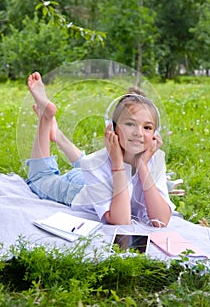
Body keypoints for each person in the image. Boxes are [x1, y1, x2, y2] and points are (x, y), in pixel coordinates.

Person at [26, 72, 175, 227]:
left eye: (147, 127)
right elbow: (121, 220)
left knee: (89, 162)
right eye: (130, 124)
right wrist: (118, 164)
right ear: (112, 128)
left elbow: (161, 221)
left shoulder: (155, 159)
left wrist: (143, 166)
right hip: (79, 189)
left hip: (96, 175)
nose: (138, 132)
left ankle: (56, 133)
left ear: (155, 135)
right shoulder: (96, 163)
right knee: (39, 179)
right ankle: (45, 117)